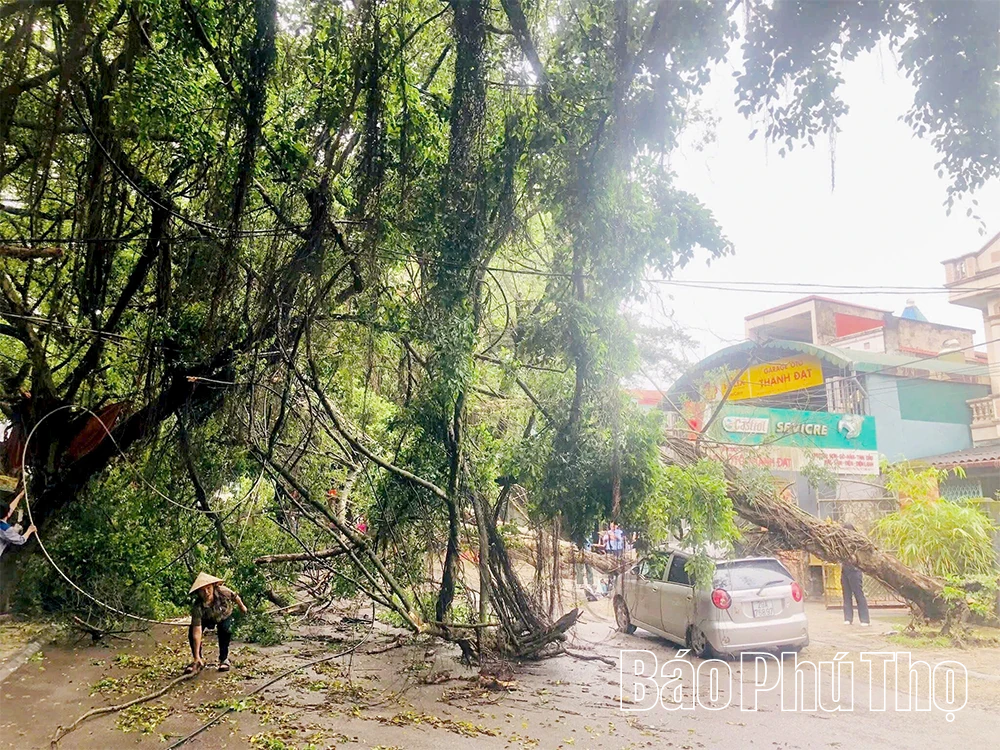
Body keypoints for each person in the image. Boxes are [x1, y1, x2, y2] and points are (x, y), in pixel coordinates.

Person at [186, 572, 248, 674]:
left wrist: (242, 607)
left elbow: (236, 597)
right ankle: (198, 660)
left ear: (213, 586)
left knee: (225, 630)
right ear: (198, 592)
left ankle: (224, 659)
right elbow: (197, 632)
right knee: (191, 634)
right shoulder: (197, 607)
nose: (206, 592)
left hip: (223, 614)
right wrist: (196, 656)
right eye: (202, 590)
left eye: (208, 588)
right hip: (207, 617)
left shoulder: (223, 591)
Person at [840, 523, 870, 627]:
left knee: (858, 594)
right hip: (845, 570)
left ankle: (864, 619)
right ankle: (848, 618)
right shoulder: (842, 542)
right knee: (846, 595)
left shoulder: (857, 542)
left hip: (855, 570)